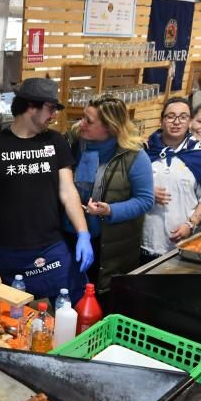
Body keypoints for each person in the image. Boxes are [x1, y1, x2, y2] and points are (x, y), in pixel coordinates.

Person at [0, 77, 93, 300]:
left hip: (51, 246)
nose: (54, 115)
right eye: (50, 108)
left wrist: (83, 232)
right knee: (8, 315)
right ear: (30, 106)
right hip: (5, 249)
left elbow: (68, 191)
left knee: (70, 305)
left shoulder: (55, 142)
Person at [64, 94, 154, 293]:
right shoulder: (73, 143)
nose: (81, 123)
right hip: (68, 235)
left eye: (89, 121)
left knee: (95, 298)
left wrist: (110, 210)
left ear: (110, 127)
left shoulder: (134, 155)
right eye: (83, 117)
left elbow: (146, 200)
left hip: (107, 245)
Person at [142, 98, 201, 260]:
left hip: (186, 243)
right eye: (170, 116)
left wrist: (190, 224)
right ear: (161, 120)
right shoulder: (144, 152)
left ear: (190, 122)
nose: (176, 122)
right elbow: (124, 188)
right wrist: (145, 193)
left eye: (183, 117)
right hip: (144, 241)